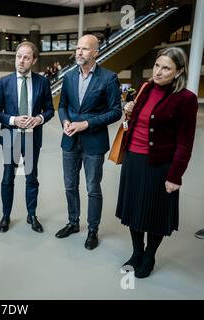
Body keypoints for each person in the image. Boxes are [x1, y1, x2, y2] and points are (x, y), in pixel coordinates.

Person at [116, 47, 198, 278]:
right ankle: (136, 251)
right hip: (133, 158)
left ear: (179, 71)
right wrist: (128, 112)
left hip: (159, 164)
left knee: (153, 213)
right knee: (133, 210)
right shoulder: (145, 88)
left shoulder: (186, 99)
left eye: (166, 68)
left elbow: (185, 143)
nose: (159, 72)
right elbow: (132, 124)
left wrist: (175, 176)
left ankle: (150, 255)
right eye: (157, 66)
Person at [56, 35, 122, 249]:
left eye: (85, 49)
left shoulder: (109, 78)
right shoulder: (68, 77)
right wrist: (65, 121)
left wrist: (87, 124)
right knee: (69, 185)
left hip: (94, 142)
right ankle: (73, 222)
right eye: (78, 48)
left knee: (93, 187)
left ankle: (93, 230)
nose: (79, 52)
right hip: (70, 140)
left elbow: (115, 112)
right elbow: (63, 105)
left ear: (95, 52)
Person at [0, 41, 54, 233]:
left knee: (31, 178)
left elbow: (50, 109)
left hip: (32, 137)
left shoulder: (42, 82)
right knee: (8, 177)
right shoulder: (4, 82)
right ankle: (6, 215)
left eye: (26, 57)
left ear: (33, 60)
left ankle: (32, 215)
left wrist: (40, 118)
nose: (21, 61)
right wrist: (13, 120)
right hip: (10, 136)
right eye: (19, 56)